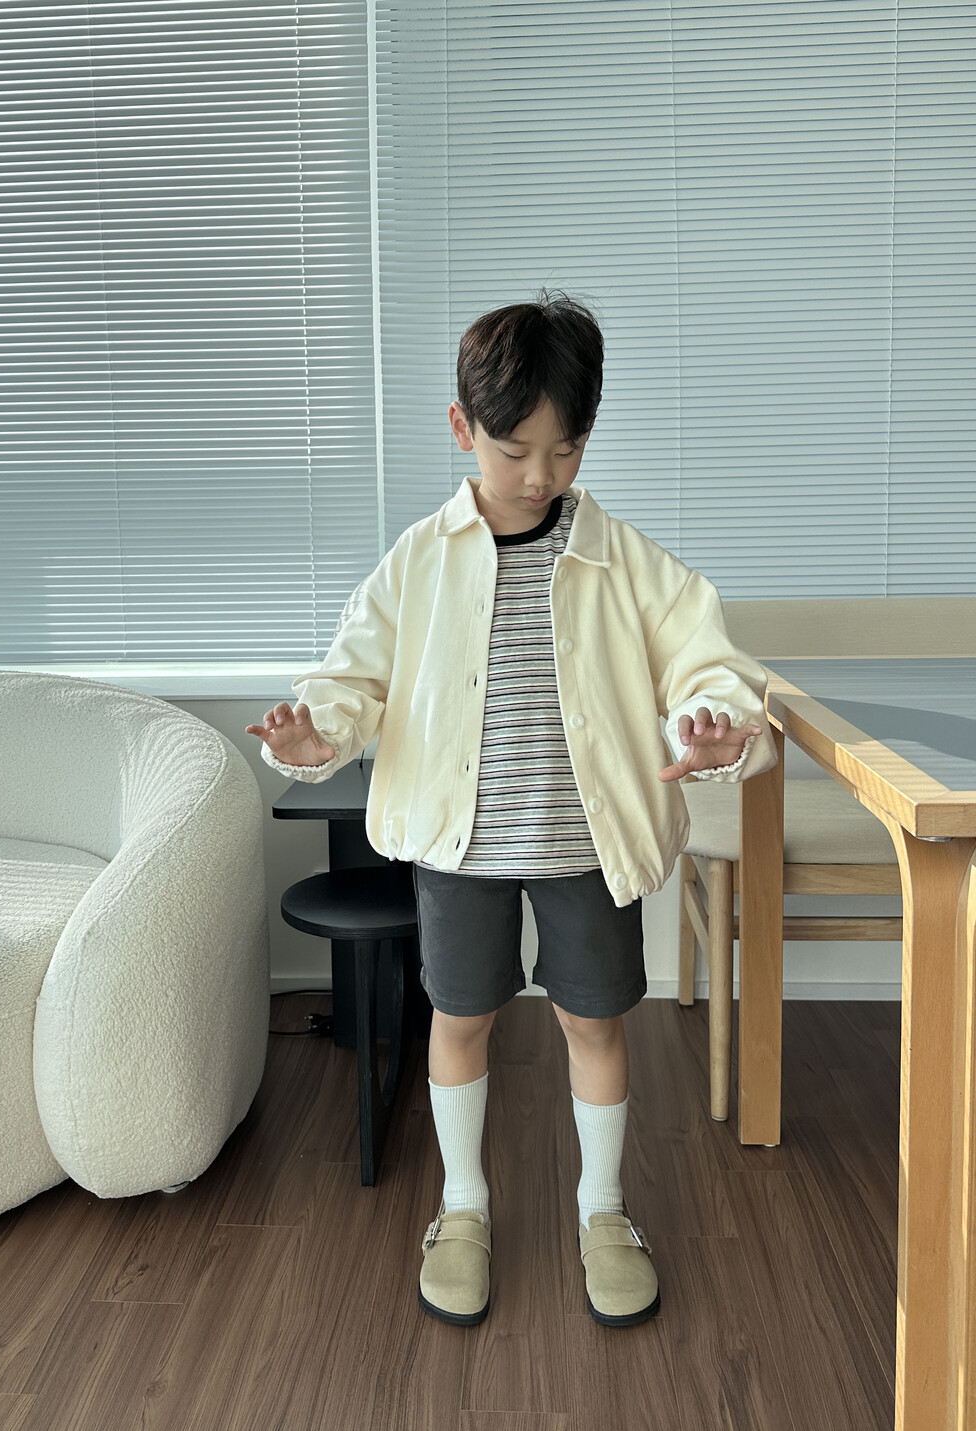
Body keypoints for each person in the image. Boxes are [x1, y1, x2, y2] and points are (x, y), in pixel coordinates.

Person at [246, 288, 778, 1330]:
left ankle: (604, 1210)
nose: (540, 475)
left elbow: (702, 655)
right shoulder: (418, 560)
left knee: (593, 1020)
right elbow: (354, 679)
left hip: (586, 845)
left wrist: (710, 719)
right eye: (515, 450)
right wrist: (318, 735)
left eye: (566, 449)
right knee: (462, 1018)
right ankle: (462, 1207)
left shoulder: (622, 559)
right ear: (463, 428)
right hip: (460, 849)